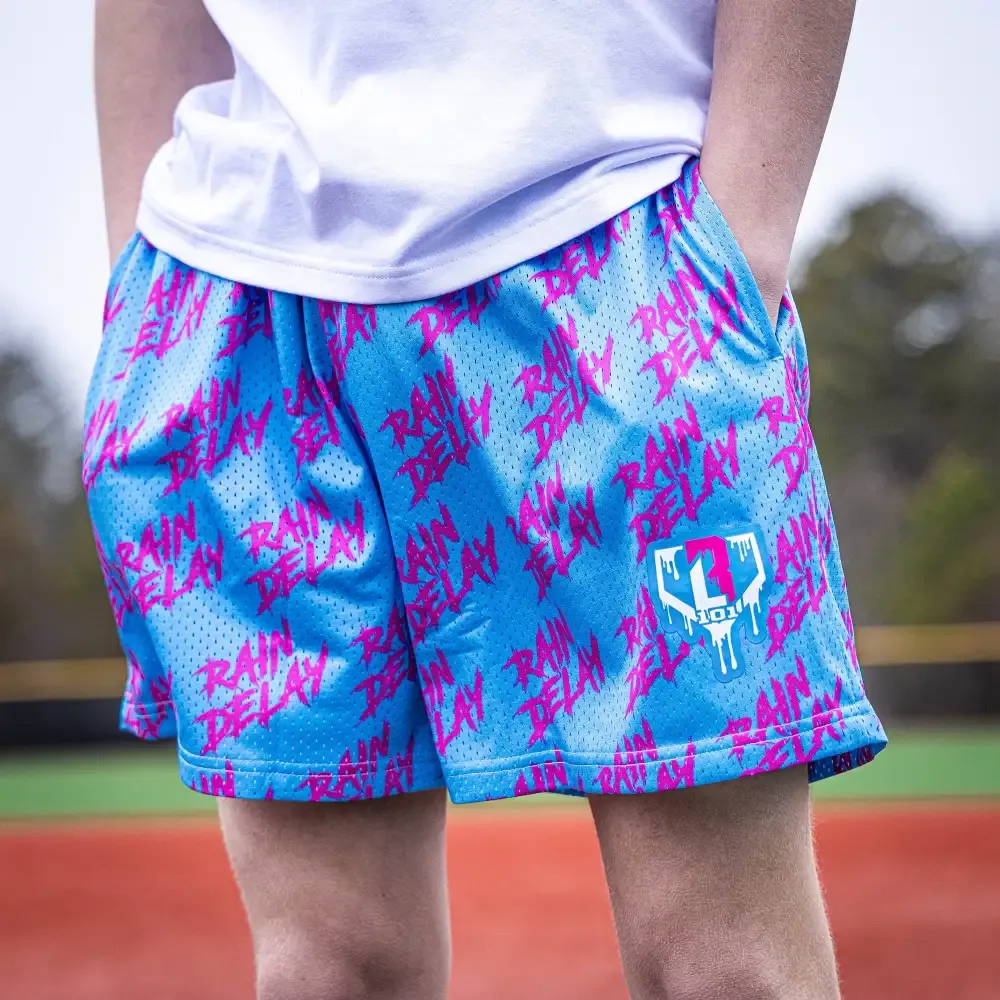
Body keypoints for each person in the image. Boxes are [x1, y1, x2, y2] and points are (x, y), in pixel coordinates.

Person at [87, 1, 886, 997]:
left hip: (611, 244)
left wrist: (742, 251)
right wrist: (134, 294)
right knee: (327, 971)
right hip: (236, 298)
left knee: (727, 969)